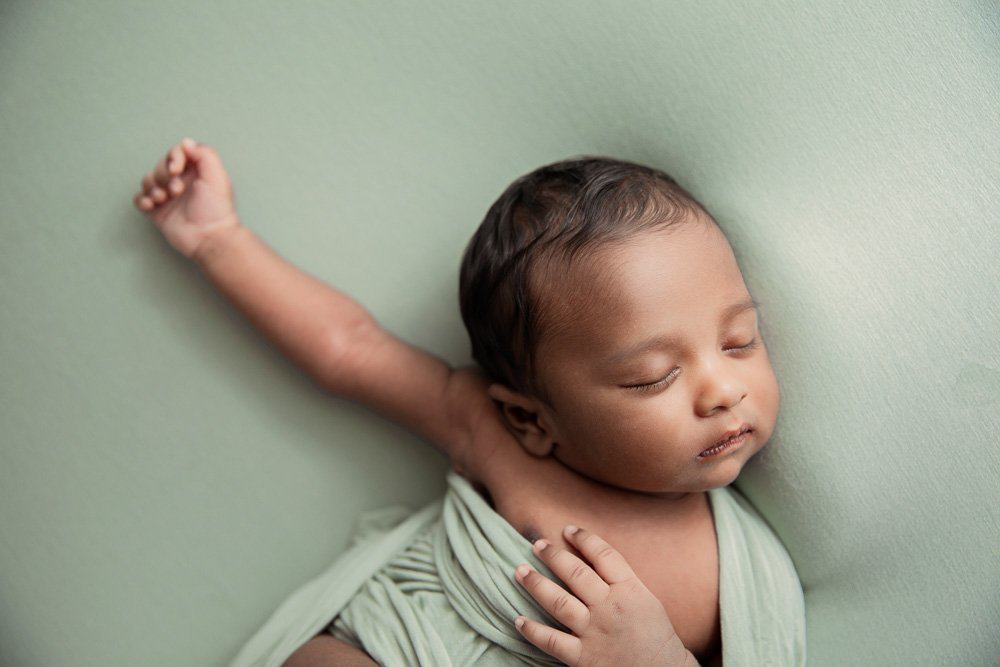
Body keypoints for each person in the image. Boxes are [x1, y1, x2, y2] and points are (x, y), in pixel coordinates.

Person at [134, 139, 803, 666]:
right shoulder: (495, 433)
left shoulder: (739, 575)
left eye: (739, 340)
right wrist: (219, 239)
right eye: (654, 375)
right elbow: (352, 348)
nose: (723, 389)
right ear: (532, 419)